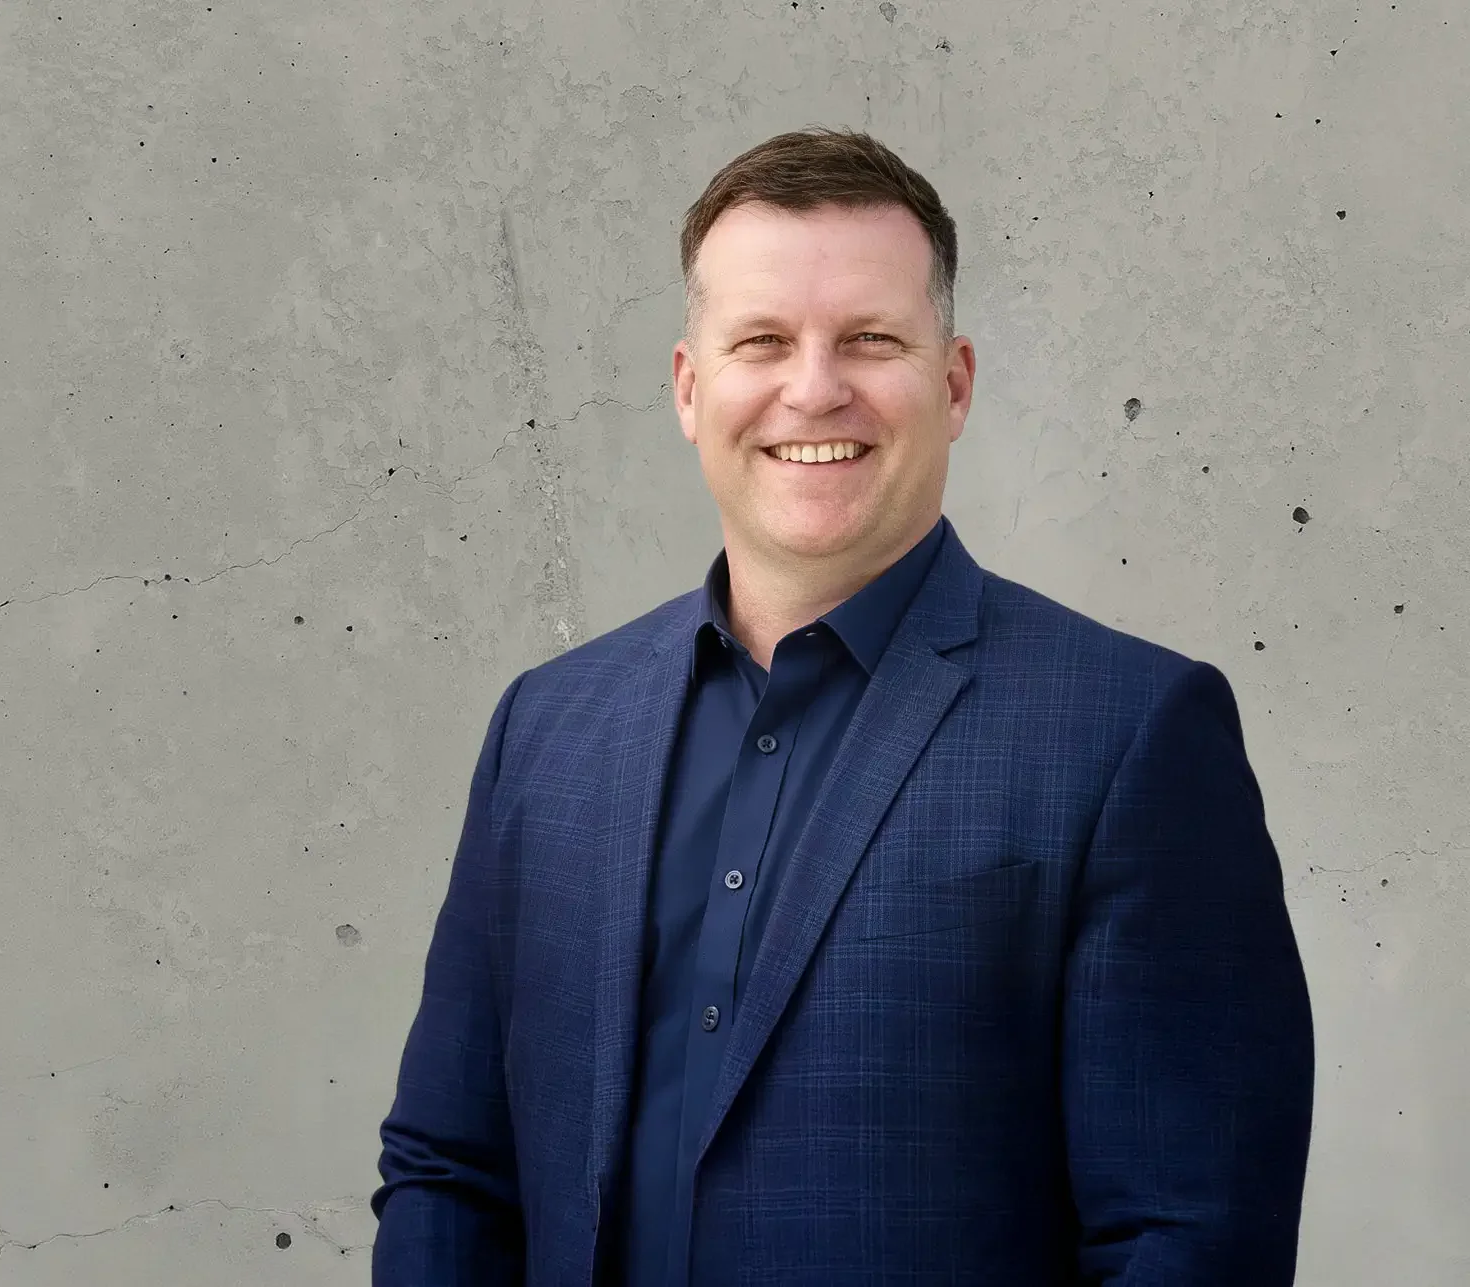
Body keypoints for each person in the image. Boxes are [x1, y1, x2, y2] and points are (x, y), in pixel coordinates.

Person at [370, 126, 1315, 1286]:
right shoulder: (550, 728)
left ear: (953, 383)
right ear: (688, 387)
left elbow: (1191, 1237)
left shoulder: (1130, 734)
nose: (813, 388)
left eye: (870, 339)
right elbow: (451, 1168)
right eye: (762, 340)